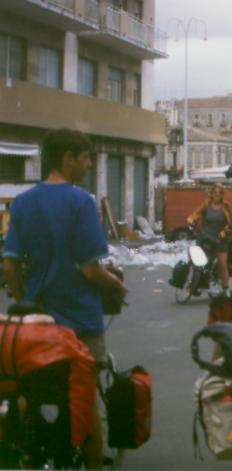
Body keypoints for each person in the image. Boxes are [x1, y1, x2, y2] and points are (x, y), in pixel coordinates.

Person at [2, 128, 127, 469]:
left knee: (30, 391)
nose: (88, 164)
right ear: (68, 158)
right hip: (80, 323)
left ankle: (29, 455)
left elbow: (10, 263)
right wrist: (115, 284)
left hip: (36, 326)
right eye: (85, 157)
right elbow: (90, 270)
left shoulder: (24, 202)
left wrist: (24, 303)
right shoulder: (80, 202)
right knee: (86, 406)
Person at [187, 183, 232, 290]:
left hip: (220, 239)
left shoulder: (226, 206)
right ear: (211, 193)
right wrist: (191, 218)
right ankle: (196, 284)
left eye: (219, 192)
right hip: (205, 237)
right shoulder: (207, 204)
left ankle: (225, 288)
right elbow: (196, 213)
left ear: (222, 194)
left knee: (222, 265)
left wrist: (225, 231)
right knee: (199, 262)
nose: (217, 194)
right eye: (215, 192)